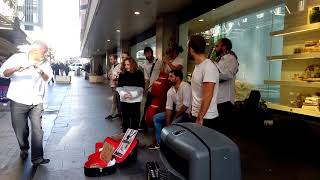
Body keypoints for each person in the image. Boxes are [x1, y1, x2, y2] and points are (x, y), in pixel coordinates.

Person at [0, 41, 52, 165]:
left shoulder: (45, 63)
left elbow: (47, 78)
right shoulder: (17, 58)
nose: (45, 55)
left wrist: (39, 70)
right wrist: (16, 67)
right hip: (18, 100)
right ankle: (24, 147)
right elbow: (3, 73)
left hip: (37, 101)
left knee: (37, 130)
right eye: (43, 52)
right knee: (20, 129)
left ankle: (37, 157)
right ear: (35, 50)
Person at [148, 70, 192, 149]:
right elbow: (169, 108)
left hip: (186, 113)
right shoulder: (170, 91)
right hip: (176, 112)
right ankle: (159, 143)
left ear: (177, 78)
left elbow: (186, 105)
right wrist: (168, 123)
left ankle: (171, 147)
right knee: (156, 118)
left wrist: (174, 117)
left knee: (173, 123)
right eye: (169, 76)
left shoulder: (185, 86)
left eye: (171, 76)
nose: (168, 78)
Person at [188, 35, 220, 129]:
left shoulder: (208, 67)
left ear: (191, 49)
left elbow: (208, 95)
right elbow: (197, 92)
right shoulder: (199, 66)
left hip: (206, 118)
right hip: (197, 114)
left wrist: (200, 117)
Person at [214, 38, 239, 125]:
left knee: (222, 130)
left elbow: (228, 75)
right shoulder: (220, 59)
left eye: (217, 46)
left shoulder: (231, 58)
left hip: (225, 100)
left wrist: (213, 70)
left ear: (224, 47)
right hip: (217, 99)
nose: (215, 48)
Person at [117, 57, 145, 132]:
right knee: (125, 121)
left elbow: (141, 88)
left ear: (133, 64)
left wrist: (132, 95)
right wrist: (123, 94)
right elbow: (119, 87)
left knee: (135, 122)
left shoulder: (139, 73)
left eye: (128, 64)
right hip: (124, 100)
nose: (126, 66)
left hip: (135, 101)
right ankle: (125, 140)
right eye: (125, 65)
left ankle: (133, 140)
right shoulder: (122, 74)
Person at [140, 47, 162, 131]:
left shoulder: (159, 62)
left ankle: (156, 125)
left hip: (160, 89)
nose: (147, 55)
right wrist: (145, 89)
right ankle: (143, 125)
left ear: (152, 53)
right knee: (147, 107)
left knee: (158, 107)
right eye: (146, 54)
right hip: (151, 89)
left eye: (148, 53)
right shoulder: (145, 65)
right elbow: (146, 79)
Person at [105, 54, 121, 120]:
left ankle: (112, 114)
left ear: (115, 59)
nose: (110, 61)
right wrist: (109, 75)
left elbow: (119, 76)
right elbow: (110, 75)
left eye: (111, 59)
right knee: (116, 101)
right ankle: (118, 114)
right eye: (110, 59)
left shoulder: (120, 66)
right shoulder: (112, 66)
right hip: (113, 86)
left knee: (116, 101)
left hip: (117, 86)